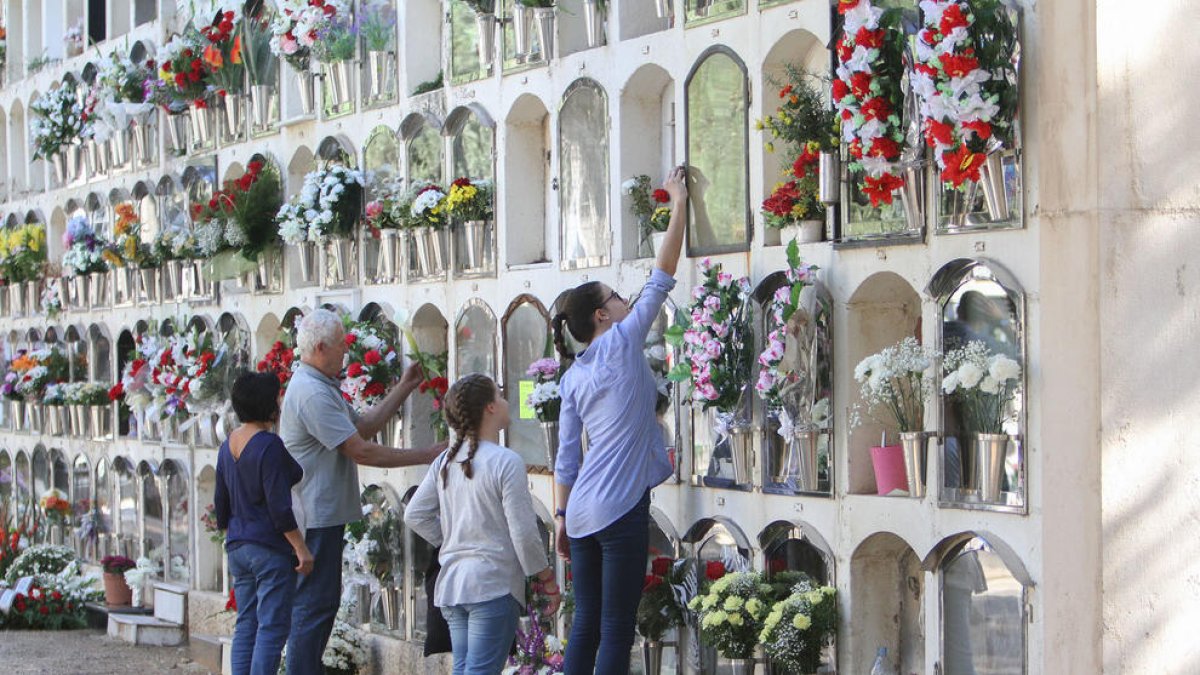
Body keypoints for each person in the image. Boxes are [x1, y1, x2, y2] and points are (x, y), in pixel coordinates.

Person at [552, 167, 688, 674]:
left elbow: (566, 460)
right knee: (616, 628)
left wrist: (560, 519)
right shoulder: (624, 341)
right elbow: (662, 274)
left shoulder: (573, 376)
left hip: (581, 511)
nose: (623, 299)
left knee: (585, 623)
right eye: (614, 296)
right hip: (620, 508)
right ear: (602, 316)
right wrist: (679, 203)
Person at [281, 308, 445, 675]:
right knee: (313, 607)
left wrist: (404, 386)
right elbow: (360, 450)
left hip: (325, 513)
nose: (346, 350)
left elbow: (363, 428)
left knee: (321, 605)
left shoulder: (320, 384)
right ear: (320, 348)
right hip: (316, 515)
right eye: (341, 345)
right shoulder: (311, 392)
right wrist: (426, 455)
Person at [404, 373, 561, 675]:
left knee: (466, 670)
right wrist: (547, 579)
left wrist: (453, 541)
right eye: (499, 396)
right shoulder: (506, 461)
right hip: (492, 584)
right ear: (490, 407)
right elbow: (523, 533)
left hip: (453, 584)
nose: (505, 401)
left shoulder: (445, 461)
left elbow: (415, 514)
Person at [214, 371, 313, 675]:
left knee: (246, 623)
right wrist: (301, 548)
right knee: (272, 626)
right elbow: (279, 506)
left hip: (238, 545)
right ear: (268, 406)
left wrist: (234, 533)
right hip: (269, 547)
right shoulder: (269, 445)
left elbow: (220, 504)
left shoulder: (227, 445)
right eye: (276, 399)